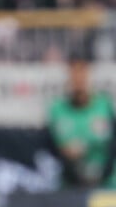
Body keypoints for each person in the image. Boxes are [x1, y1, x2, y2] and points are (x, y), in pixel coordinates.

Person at [47, 57, 116, 188]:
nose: (78, 79)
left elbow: (112, 144)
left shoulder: (105, 106)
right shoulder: (58, 110)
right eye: (74, 74)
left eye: (82, 73)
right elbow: (57, 148)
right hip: (72, 185)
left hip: (107, 183)